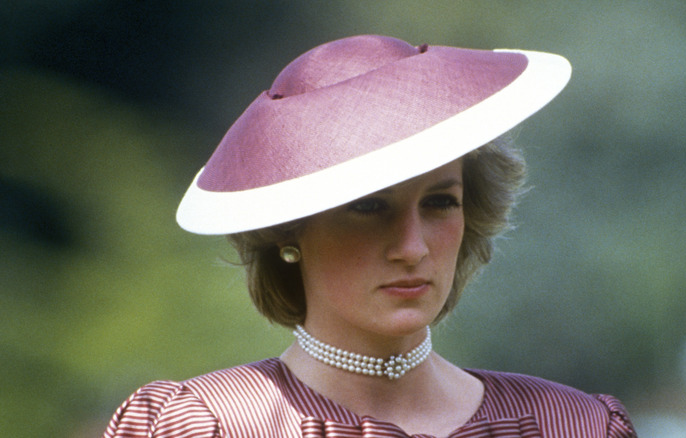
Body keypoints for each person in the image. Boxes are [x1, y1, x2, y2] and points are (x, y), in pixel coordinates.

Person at [103, 35, 637, 438]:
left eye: (439, 203)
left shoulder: (574, 425)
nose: (412, 246)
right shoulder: (208, 425)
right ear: (289, 230)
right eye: (369, 208)